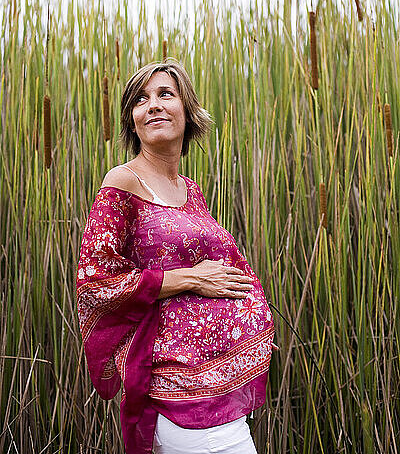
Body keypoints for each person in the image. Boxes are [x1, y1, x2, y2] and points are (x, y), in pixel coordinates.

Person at [76, 59, 275, 454]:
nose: (152, 105)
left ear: (188, 112)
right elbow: (95, 280)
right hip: (177, 392)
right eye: (140, 99)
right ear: (132, 122)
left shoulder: (192, 190)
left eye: (165, 94)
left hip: (222, 396)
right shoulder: (123, 181)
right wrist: (192, 278)